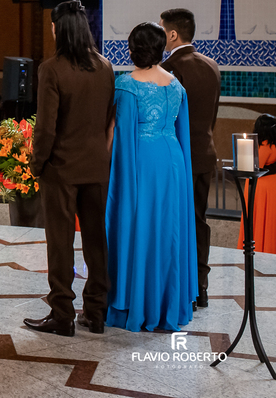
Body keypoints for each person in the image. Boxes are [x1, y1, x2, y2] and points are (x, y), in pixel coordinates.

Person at [23, 0, 115, 337]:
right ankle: (96, 311)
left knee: (60, 242)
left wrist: (37, 164)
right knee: (95, 240)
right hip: (96, 167)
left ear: (59, 29)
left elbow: (46, 128)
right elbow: (108, 119)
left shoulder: (52, 68)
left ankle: (62, 313)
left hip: (61, 169)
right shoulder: (105, 67)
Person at [105, 21, 197, 332]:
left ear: (132, 48)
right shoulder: (175, 85)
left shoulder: (126, 85)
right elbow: (181, 132)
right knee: (168, 229)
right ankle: (167, 305)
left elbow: (120, 140)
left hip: (142, 162)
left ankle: (135, 304)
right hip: (174, 163)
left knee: (139, 226)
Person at [160, 7, 220, 310]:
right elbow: (213, 116)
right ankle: (201, 285)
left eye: (162, 30)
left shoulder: (170, 69)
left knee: (174, 222)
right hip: (205, 155)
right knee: (199, 220)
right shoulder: (212, 66)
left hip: (178, 158)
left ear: (172, 34)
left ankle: (178, 288)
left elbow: (167, 120)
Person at [239, 114, 276, 253]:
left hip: (262, 187)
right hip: (272, 185)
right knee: (269, 221)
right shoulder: (274, 143)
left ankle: (260, 248)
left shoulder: (265, 144)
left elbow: (256, 165)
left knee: (259, 218)